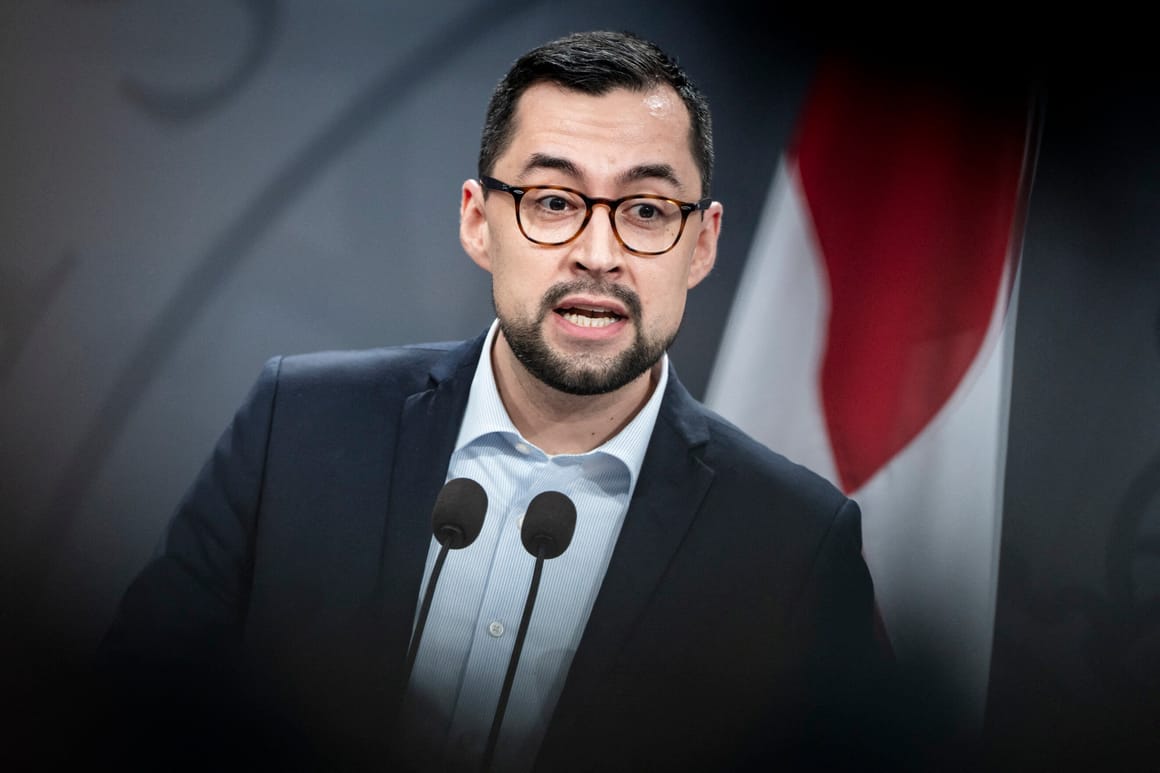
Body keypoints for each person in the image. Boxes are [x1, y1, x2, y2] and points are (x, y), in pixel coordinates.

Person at [98, 30, 895, 773]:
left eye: (647, 211)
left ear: (703, 244)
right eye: (553, 201)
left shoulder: (796, 544)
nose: (598, 254)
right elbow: (133, 708)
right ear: (479, 222)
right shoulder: (298, 425)